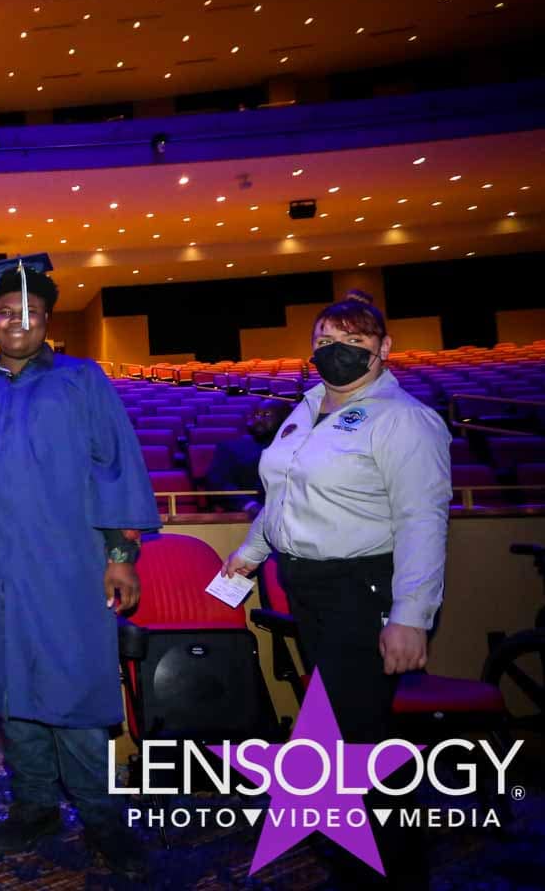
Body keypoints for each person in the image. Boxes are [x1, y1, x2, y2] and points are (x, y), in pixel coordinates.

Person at [222, 290, 450, 885]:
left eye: (353, 340)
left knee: (359, 735)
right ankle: (354, 850)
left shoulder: (403, 420)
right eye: (325, 341)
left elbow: (422, 521)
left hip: (363, 588)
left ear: (383, 347)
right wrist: (249, 555)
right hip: (307, 585)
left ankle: (395, 867)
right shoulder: (305, 409)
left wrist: (411, 616)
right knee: (339, 724)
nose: (337, 351)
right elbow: (283, 498)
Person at [0, 254, 159, 875]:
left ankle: (102, 820)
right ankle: (34, 806)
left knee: (74, 691)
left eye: (31, 311)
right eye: (7, 311)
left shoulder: (82, 380)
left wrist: (120, 555)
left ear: (47, 319)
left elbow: (114, 467)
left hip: (67, 567)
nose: (19, 321)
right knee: (13, 691)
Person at [205, 399, 294, 513]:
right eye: (256, 415)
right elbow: (218, 483)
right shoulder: (231, 447)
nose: (259, 419)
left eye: (266, 415)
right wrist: (249, 505)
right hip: (246, 514)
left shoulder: (298, 448)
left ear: (285, 419)